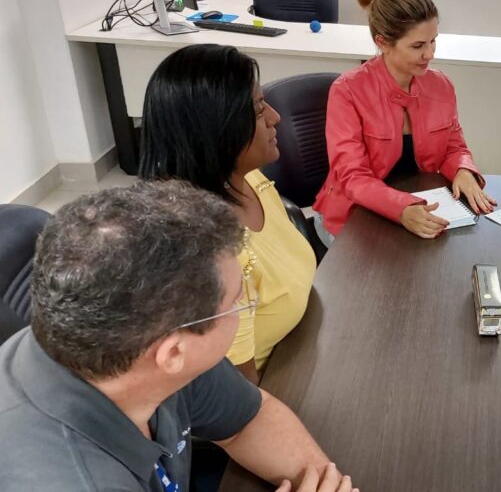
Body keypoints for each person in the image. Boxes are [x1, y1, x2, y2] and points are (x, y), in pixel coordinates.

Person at [0, 181, 356, 492]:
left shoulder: (140, 344)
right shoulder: (70, 479)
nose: (249, 302)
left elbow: (250, 418)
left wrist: (327, 482)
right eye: (237, 301)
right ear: (172, 354)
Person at [139, 43, 316, 383]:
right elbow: (241, 401)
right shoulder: (213, 259)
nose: (275, 118)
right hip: (282, 386)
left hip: (305, 344)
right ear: (216, 130)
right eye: (259, 108)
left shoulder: (247, 177)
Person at [313, 0, 495, 243]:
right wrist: (402, 208)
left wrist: (463, 170)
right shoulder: (347, 91)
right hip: (352, 216)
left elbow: (454, 147)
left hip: (420, 206)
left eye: (433, 41)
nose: (430, 53)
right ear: (383, 42)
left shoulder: (441, 85)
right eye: (418, 45)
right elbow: (352, 177)